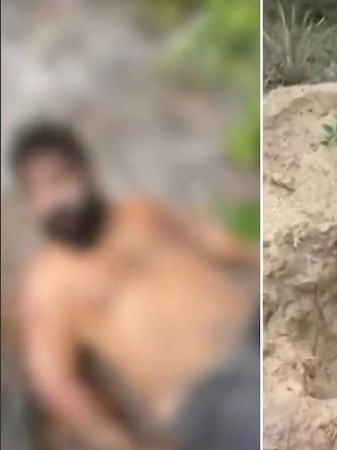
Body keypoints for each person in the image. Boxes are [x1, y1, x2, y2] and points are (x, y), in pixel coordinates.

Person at [9, 120, 260, 450]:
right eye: (40, 190)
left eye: (61, 179)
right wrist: (123, 444)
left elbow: (216, 242)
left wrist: (272, 258)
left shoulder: (141, 212)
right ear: (31, 203)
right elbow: (56, 382)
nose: (57, 198)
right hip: (205, 397)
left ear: (85, 171)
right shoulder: (46, 284)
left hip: (256, 334)